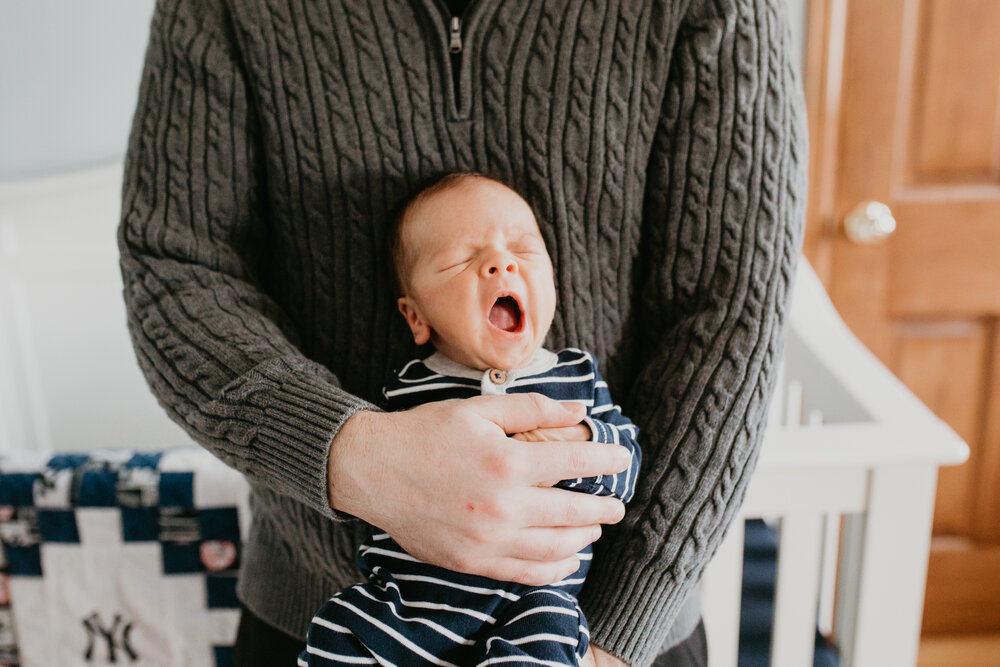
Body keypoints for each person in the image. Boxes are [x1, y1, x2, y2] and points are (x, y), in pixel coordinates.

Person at [118, 1, 805, 665]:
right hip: (332, 621)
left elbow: (729, 309)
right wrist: (353, 455)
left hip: (608, 632)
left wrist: (619, 633)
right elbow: (175, 265)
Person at [300, 172, 642, 666]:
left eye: (523, 251)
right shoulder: (409, 389)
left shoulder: (577, 380)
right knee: (341, 626)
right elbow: (377, 474)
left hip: (535, 606)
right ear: (416, 317)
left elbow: (627, 464)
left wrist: (581, 440)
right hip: (412, 608)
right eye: (464, 260)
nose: (501, 264)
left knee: (553, 641)